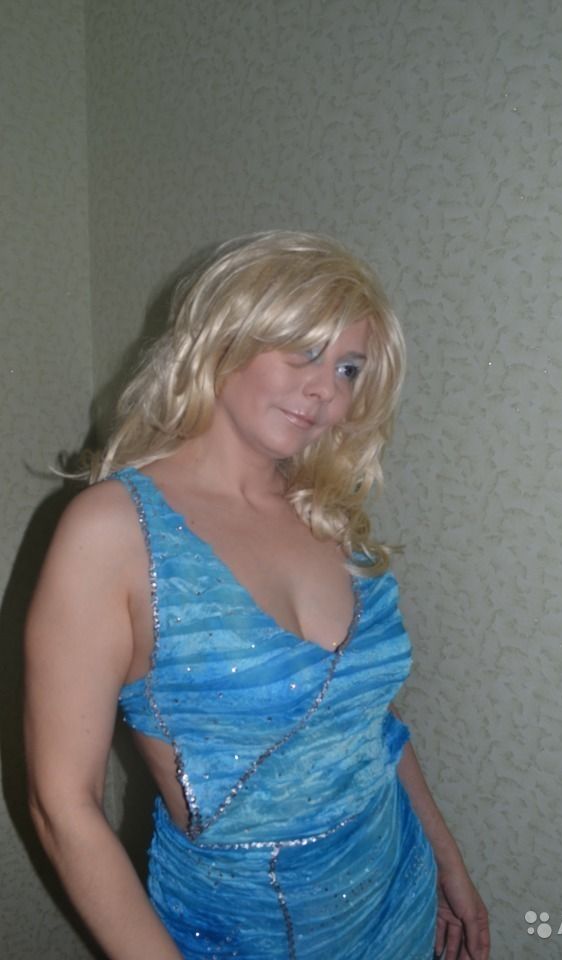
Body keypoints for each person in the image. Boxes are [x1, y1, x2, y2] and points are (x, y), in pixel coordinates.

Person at [24, 231, 490, 960]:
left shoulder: (327, 511)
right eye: (303, 351)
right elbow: (62, 809)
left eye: (348, 368)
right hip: (243, 934)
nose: (326, 389)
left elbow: (370, 721)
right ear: (224, 338)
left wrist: (447, 862)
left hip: (397, 890)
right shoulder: (112, 532)